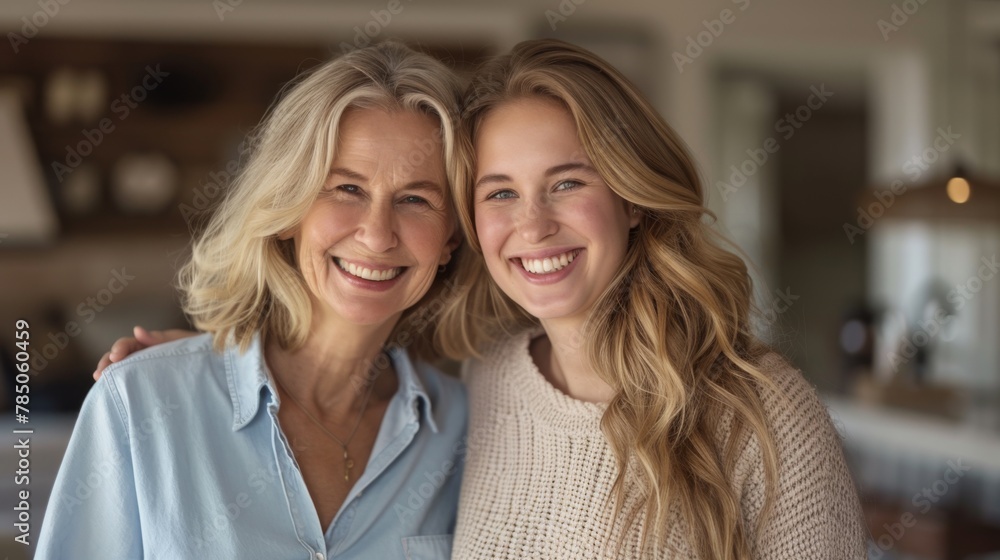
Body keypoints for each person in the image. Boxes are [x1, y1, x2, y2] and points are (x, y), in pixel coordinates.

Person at [96, 39, 870, 559]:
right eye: (500, 192)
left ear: (633, 197)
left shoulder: (762, 413)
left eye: (567, 182)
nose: (532, 226)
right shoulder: (486, 385)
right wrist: (197, 379)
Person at [38, 42, 467, 559]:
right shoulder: (140, 402)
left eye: (416, 199)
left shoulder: (466, 428)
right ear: (289, 209)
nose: (377, 236)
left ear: (451, 239)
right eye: (347, 189)